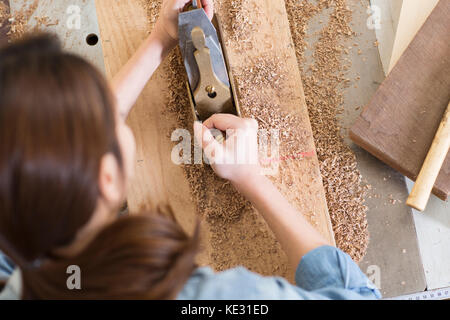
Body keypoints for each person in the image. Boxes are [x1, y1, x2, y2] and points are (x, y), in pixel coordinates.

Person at [0, 0, 381, 300]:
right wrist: (252, 179)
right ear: (107, 177)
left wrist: (158, 41)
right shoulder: (205, 296)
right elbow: (357, 295)